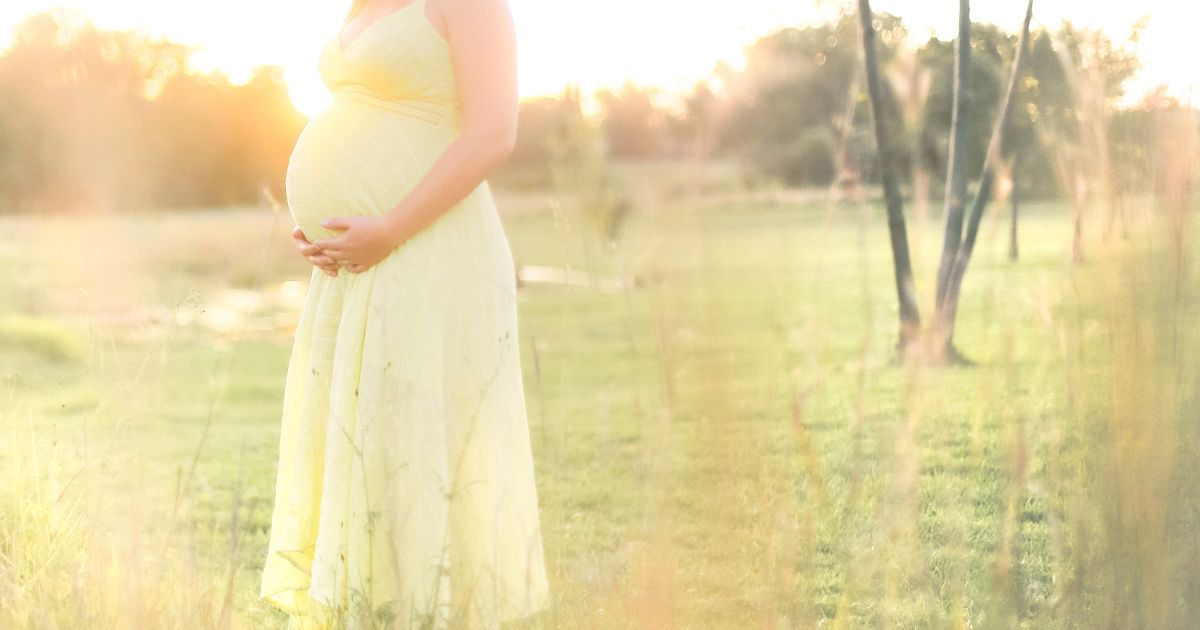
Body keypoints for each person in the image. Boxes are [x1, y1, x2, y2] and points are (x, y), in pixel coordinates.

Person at [258, 0, 550, 627]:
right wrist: (323, 227)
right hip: (360, 266)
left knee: (417, 448)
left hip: (433, 252)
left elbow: (493, 133)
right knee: (363, 443)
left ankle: (430, 614)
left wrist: (389, 226)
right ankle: (376, 609)